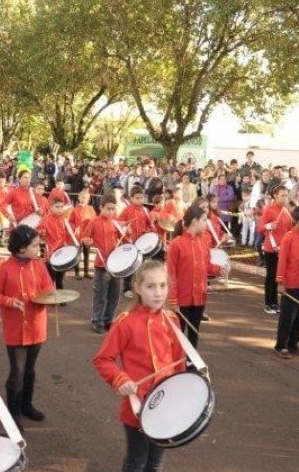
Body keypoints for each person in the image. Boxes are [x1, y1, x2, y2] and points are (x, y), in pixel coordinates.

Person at [93, 261, 186, 472]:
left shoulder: (171, 319)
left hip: (166, 403)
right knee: (137, 461)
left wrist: (183, 392)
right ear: (137, 288)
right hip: (138, 405)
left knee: (156, 463)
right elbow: (103, 359)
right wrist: (120, 379)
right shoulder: (125, 322)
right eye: (150, 286)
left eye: (163, 285)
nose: (158, 293)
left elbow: (178, 362)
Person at [0, 225, 55, 430]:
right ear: (22, 248)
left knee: (30, 371)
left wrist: (48, 297)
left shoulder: (39, 265)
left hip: (37, 326)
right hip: (15, 328)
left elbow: (48, 288)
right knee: (17, 372)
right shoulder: (3, 269)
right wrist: (10, 302)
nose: (40, 248)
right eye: (35, 245)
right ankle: (13, 412)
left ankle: (26, 406)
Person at [167, 205, 226, 349]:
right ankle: (176, 363)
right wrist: (173, 299)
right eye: (205, 219)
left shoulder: (204, 242)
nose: (207, 223)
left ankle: (191, 362)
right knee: (178, 333)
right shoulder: (176, 244)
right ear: (194, 221)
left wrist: (219, 270)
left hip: (199, 296)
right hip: (182, 298)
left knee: (194, 331)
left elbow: (206, 265)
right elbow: (170, 274)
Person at [274, 206, 299, 359]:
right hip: (291, 283)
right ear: (296, 221)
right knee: (287, 316)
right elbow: (283, 260)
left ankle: (293, 344)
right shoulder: (288, 237)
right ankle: (281, 345)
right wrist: (280, 281)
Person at [82, 195, 125, 333]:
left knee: (114, 295)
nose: (111, 211)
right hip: (101, 264)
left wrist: (126, 232)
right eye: (108, 208)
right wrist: (87, 241)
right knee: (100, 295)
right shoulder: (93, 222)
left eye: (113, 209)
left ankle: (108, 320)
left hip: (115, 265)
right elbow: (85, 237)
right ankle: (97, 321)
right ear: (101, 207)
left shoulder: (115, 223)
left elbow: (123, 239)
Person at [259, 186, 293, 314]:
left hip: (283, 249)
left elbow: (290, 229)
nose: (285, 198)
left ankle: (275, 303)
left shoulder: (286, 210)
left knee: (279, 276)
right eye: (282, 195)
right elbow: (260, 228)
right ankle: (268, 303)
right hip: (271, 248)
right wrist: (269, 226)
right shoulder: (269, 209)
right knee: (271, 275)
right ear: (275, 196)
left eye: (286, 195)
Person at [119, 186, 156, 297]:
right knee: (130, 266)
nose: (140, 200)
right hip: (130, 241)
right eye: (137, 198)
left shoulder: (145, 210)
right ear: (131, 198)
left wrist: (152, 232)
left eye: (142, 198)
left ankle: (140, 287)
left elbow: (150, 225)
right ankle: (127, 288)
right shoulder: (127, 209)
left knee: (141, 266)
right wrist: (125, 228)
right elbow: (118, 222)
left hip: (142, 243)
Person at [38, 196, 75, 290]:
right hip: (51, 253)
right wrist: (41, 232)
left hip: (62, 252)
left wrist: (74, 232)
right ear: (51, 207)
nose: (60, 209)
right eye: (57, 207)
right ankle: (49, 296)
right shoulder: (46, 219)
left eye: (61, 207)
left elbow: (68, 236)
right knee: (50, 277)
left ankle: (60, 297)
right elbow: (40, 229)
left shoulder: (64, 220)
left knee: (60, 277)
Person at [70, 188, 97, 279]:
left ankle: (86, 272)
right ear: (79, 197)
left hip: (87, 235)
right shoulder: (75, 209)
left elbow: (95, 221)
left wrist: (93, 234)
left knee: (87, 254)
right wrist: (75, 228)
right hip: (78, 235)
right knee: (77, 254)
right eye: (82, 197)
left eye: (86, 197)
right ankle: (77, 273)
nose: (84, 199)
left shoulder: (91, 209)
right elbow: (71, 221)